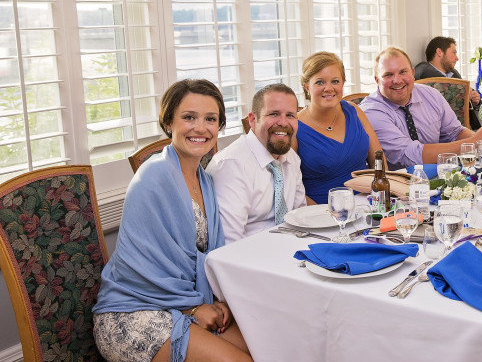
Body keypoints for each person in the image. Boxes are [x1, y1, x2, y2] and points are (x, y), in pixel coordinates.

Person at [94, 80, 251, 362]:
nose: (200, 128)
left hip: (186, 301)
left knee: (265, 343)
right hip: (134, 312)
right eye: (189, 117)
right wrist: (192, 308)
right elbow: (141, 272)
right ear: (169, 122)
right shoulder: (155, 176)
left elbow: (208, 254)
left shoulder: (203, 178)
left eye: (210, 119)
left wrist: (218, 301)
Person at [360, 46, 482, 170]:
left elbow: (454, 133)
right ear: (377, 81)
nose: (397, 80)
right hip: (398, 185)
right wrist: (475, 141)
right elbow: (410, 155)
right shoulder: (371, 112)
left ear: (412, 73)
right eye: (388, 75)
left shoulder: (431, 94)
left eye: (403, 72)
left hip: (440, 176)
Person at [206, 84, 308, 242]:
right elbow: (230, 243)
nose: (283, 122)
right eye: (274, 114)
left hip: (288, 248)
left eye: (290, 115)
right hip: (249, 257)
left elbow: (300, 219)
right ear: (252, 120)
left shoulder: (290, 157)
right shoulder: (231, 165)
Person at [296, 52, 381, 203]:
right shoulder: (295, 127)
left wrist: (381, 197)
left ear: (343, 83)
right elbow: (291, 188)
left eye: (335, 81)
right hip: (321, 212)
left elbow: (378, 160)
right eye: (320, 82)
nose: (328, 88)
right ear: (306, 86)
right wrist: (323, 215)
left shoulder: (354, 111)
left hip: (368, 203)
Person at [414, 36, 482, 129]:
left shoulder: (453, 73)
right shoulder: (425, 74)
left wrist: (475, 99)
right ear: (439, 52)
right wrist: (464, 96)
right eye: (454, 53)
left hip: (468, 127)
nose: (457, 58)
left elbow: (468, 91)